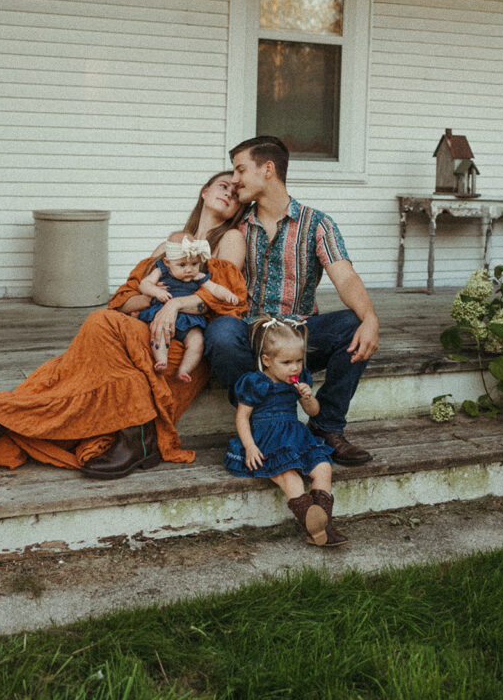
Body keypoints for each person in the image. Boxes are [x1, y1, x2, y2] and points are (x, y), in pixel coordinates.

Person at [0, 172, 248, 495]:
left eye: (236, 192)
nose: (229, 193)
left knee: (97, 325)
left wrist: (173, 306)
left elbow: (225, 302)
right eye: (223, 185)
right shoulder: (165, 248)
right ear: (203, 191)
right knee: (53, 378)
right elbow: (122, 301)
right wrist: (153, 296)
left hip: (174, 349)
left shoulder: (229, 238)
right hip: (130, 340)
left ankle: (137, 433)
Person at [205, 135, 379, 465]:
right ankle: (263, 417)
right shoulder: (237, 226)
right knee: (221, 334)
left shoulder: (317, 224)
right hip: (251, 338)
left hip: (298, 338)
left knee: (354, 324)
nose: (234, 179)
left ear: (267, 169)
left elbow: (345, 276)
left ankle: (326, 427)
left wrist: (370, 318)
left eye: (241, 170)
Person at [224, 315, 347, 547]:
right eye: (287, 362)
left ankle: (323, 526)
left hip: (295, 436)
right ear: (266, 360)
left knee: (322, 468)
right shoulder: (255, 382)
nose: (295, 367)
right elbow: (242, 416)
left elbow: (313, 412)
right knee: (290, 478)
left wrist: (308, 397)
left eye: (299, 361)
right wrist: (250, 446)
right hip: (266, 438)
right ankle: (315, 526)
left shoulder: (299, 381)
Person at [138, 230, 239, 380]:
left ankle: (184, 370)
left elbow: (215, 288)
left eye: (194, 264)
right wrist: (156, 292)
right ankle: (161, 360)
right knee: (159, 333)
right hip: (162, 314)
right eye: (182, 265)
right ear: (168, 262)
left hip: (189, 320)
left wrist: (228, 295)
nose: (189, 269)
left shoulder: (197, 276)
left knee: (197, 342)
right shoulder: (161, 271)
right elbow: (144, 284)